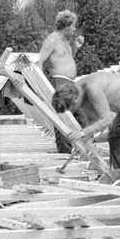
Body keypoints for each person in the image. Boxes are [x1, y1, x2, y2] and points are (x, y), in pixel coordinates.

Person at [51, 73, 120, 180]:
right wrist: (84, 141)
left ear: (75, 100)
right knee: (115, 137)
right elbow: (93, 122)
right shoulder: (79, 93)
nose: (73, 111)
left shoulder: (92, 88)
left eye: (71, 109)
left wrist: (82, 133)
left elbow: (107, 119)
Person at [37, 10, 85, 153]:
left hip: (70, 82)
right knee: (64, 116)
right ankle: (64, 150)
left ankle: (76, 148)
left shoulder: (65, 42)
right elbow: (39, 61)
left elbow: (68, 60)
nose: (75, 29)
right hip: (59, 82)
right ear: (67, 25)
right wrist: (40, 85)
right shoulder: (52, 40)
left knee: (78, 117)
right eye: (73, 26)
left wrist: (76, 47)